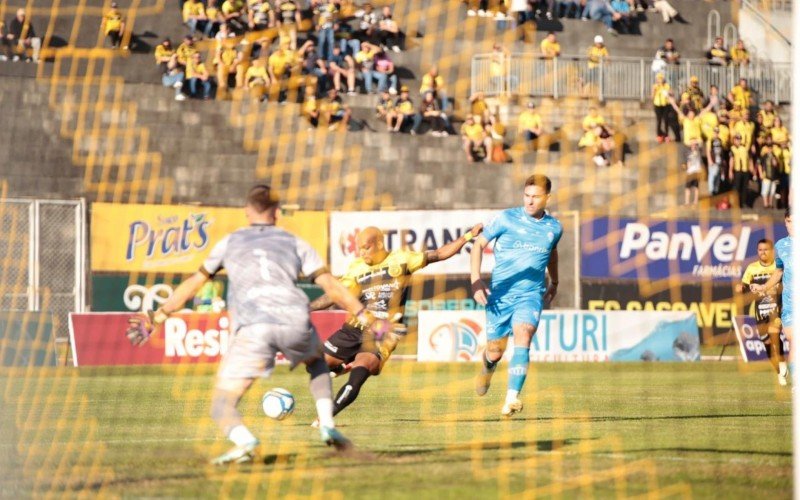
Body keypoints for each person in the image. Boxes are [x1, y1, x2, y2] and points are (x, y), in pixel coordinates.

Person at [125, 185, 391, 464]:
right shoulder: (294, 241)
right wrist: (366, 317)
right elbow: (332, 287)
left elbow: (194, 283)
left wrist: (158, 317)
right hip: (293, 319)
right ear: (277, 213)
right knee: (317, 365)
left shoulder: (230, 242)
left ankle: (244, 440)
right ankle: (327, 423)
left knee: (222, 404)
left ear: (246, 212)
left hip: (253, 325)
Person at [308, 223, 484, 419]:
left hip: (383, 332)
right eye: (360, 248)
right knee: (314, 365)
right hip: (353, 329)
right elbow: (334, 295)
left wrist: (468, 236)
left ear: (380, 243)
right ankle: (343, 363)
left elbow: (440, 254)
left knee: (359, 375)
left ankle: (326, 417)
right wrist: (307, 308)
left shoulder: (402, 259)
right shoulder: (356, 268)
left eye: (366, 247)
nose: (362, 252)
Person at [471, 174, 562, 417]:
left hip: (531, 295)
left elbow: (552, 255)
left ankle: (512, 398)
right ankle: (488, 367)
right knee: (495, 352)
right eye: (527, 196)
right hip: (500, 295)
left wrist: (555, 280)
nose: (530, 201)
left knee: (524, 334)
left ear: (547, 198)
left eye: (536, 197)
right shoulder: (506, 218)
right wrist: (475, 280)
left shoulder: (554, 227)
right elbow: (478, 245)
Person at [736, 239, 786, 385]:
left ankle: (782, 362)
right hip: (760, 312)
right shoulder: (752, 268)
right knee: (767, 343)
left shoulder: (778, 268)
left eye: (766, 249)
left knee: (775, 334)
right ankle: (778, 371)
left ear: (771, 251)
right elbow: (744, 285)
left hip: (776, 309)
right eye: (760, 250)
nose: (763, 252)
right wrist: (741, 288)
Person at [751, 210, 793, 378]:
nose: (792, 225)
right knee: (794, 342)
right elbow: (778, 272)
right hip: (790, 305)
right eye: (789, 221)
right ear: (785, 222)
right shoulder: (781, 246)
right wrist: (763, 288)